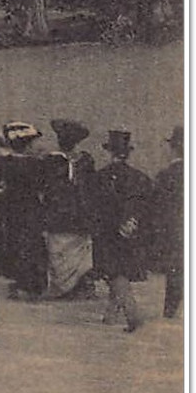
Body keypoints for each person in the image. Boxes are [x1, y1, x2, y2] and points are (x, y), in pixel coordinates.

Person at [92, 130, 153, 334]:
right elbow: (145, 206)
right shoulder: (140, 177)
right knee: (119, 271)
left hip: (107, 233)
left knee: (115, 273)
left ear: (109, 152)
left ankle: (132, 313)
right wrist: (132, 222)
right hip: (131, 233)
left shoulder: (100, 177)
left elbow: (96, 207)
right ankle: (111, 314)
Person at [0, 122, 49, 299]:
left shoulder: (4, 163)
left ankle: (21, 282)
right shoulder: (37, 164)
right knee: (30, 244)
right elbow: (45, 186)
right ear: (26, 145)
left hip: (11, 209)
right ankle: (30, 285)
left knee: (15, 243)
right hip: (31, 209)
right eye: (32, 143)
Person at [42, 119, 96, 299]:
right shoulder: (84, 160)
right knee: (73, 250)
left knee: (60, 251)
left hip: (61, 213)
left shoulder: (51, 161)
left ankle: (65, 287)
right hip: (77, 213)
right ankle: (77, 287)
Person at [155, 126, 183, 320]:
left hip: (175, 231)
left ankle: (170, 313)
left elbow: (160, 209)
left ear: (173, 148)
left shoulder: (166, 175)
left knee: (175, 272)